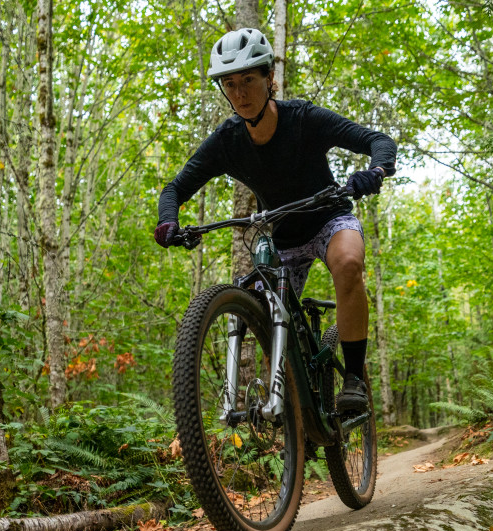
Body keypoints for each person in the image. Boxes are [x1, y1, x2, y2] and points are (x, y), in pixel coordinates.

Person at [154, 27, 397, 416]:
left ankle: (352, 380)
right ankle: (291, 421)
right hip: (282, 238)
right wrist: (168, 223)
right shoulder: (228, 140)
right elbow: (174, 189)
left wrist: (377, 170)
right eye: (230, 84)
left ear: (271, 79)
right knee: (268, 320)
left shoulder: (303, 119)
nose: (240, 93)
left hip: (329, 219)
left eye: (249, 79)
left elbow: (377, 140)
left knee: (349, 263)